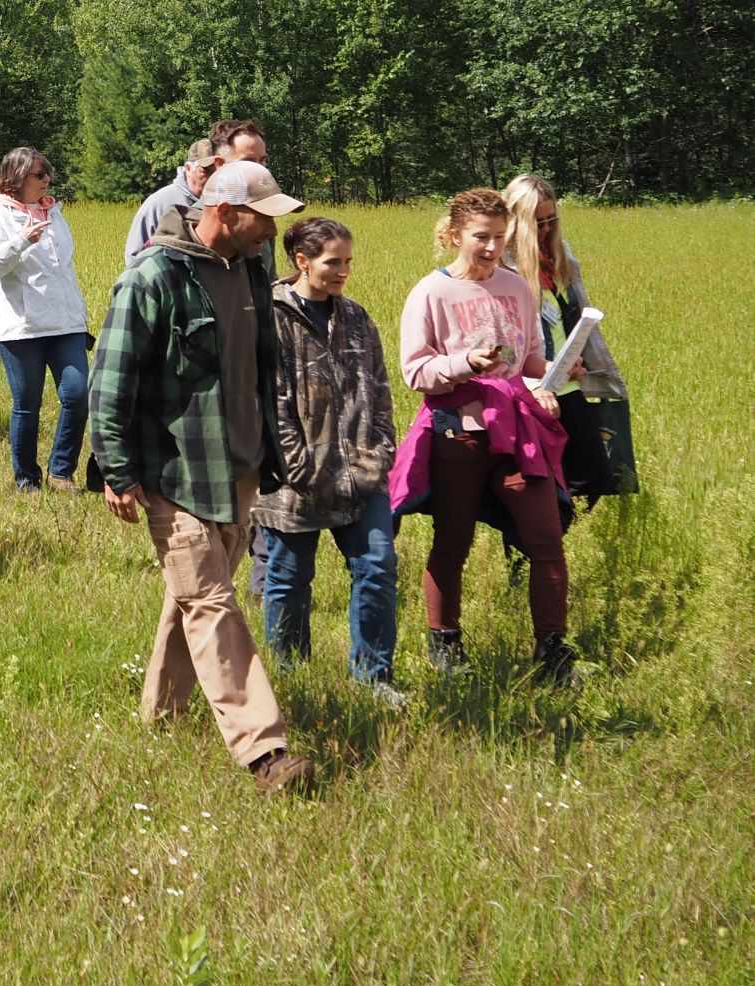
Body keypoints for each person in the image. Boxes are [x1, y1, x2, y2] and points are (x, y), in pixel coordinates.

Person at [86, 160, 316, 797]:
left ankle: (159, 718)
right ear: (226, 212)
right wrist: (117, 470)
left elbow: (263, 369)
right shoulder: (152, 278)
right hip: (172, 472)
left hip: (237, 469)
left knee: (191, 598)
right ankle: (265, 750)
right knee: (212, 602)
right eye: (265, 218)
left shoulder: (249, 271)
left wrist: (274, 450)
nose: (275, 230)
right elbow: (111, 383)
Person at [391, 188, 574, 683]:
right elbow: (416, 371)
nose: (492, 248)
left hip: (517, 431)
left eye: (499, 237)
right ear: (453, 236)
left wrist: (556, 371)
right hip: (459, 434)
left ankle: (553, 651)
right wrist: (465, 364)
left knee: (546, 538)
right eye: (481, 238)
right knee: (454, 542)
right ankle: (445, 643)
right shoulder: (431, 292)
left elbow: (530, 355)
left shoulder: (517, 287)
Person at [252, 217, 402, 700]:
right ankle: (293, 679)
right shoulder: (270, 316)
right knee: (289, 578)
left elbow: (380, 390)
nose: (342, 272)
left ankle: (373, 678)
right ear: (302, 261)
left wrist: (380, 452)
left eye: (347, 262)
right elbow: (270, 399)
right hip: (294, 482)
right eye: (332, 262)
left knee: (377, 566)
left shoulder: (357, 317)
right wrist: (299, 466)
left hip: (363, 474)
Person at [502, 173, 635, 498]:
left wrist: (580, 360)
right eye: (538, 223)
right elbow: (504, 343)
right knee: (535, 481)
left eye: (551, 220)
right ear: (517, 223)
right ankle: (534, 544)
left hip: (568, 381)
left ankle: (553, 539)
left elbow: (569, 317)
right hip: (531, 389)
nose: (547, 230)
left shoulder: (561, 257)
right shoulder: (502, 270)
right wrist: (532, 385)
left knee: (595, 475)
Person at [0, 146, 91, 493]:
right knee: (27, 406)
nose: (47, 180)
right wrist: (21, 240)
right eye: (38, 175)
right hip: (21, 327)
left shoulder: (54, 213)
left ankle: (61, 472)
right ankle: (27, 480)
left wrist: (80, 317)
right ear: (16, 178)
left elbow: (63, 270)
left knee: (78, 393)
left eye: (47, 173)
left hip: (66, 324)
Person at [124, 138, 215, 263]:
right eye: (206, 171)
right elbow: (134, 257)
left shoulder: (223, 204)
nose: (213, 178)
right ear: (188, 169)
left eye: (217, 171)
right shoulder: (159, 203)